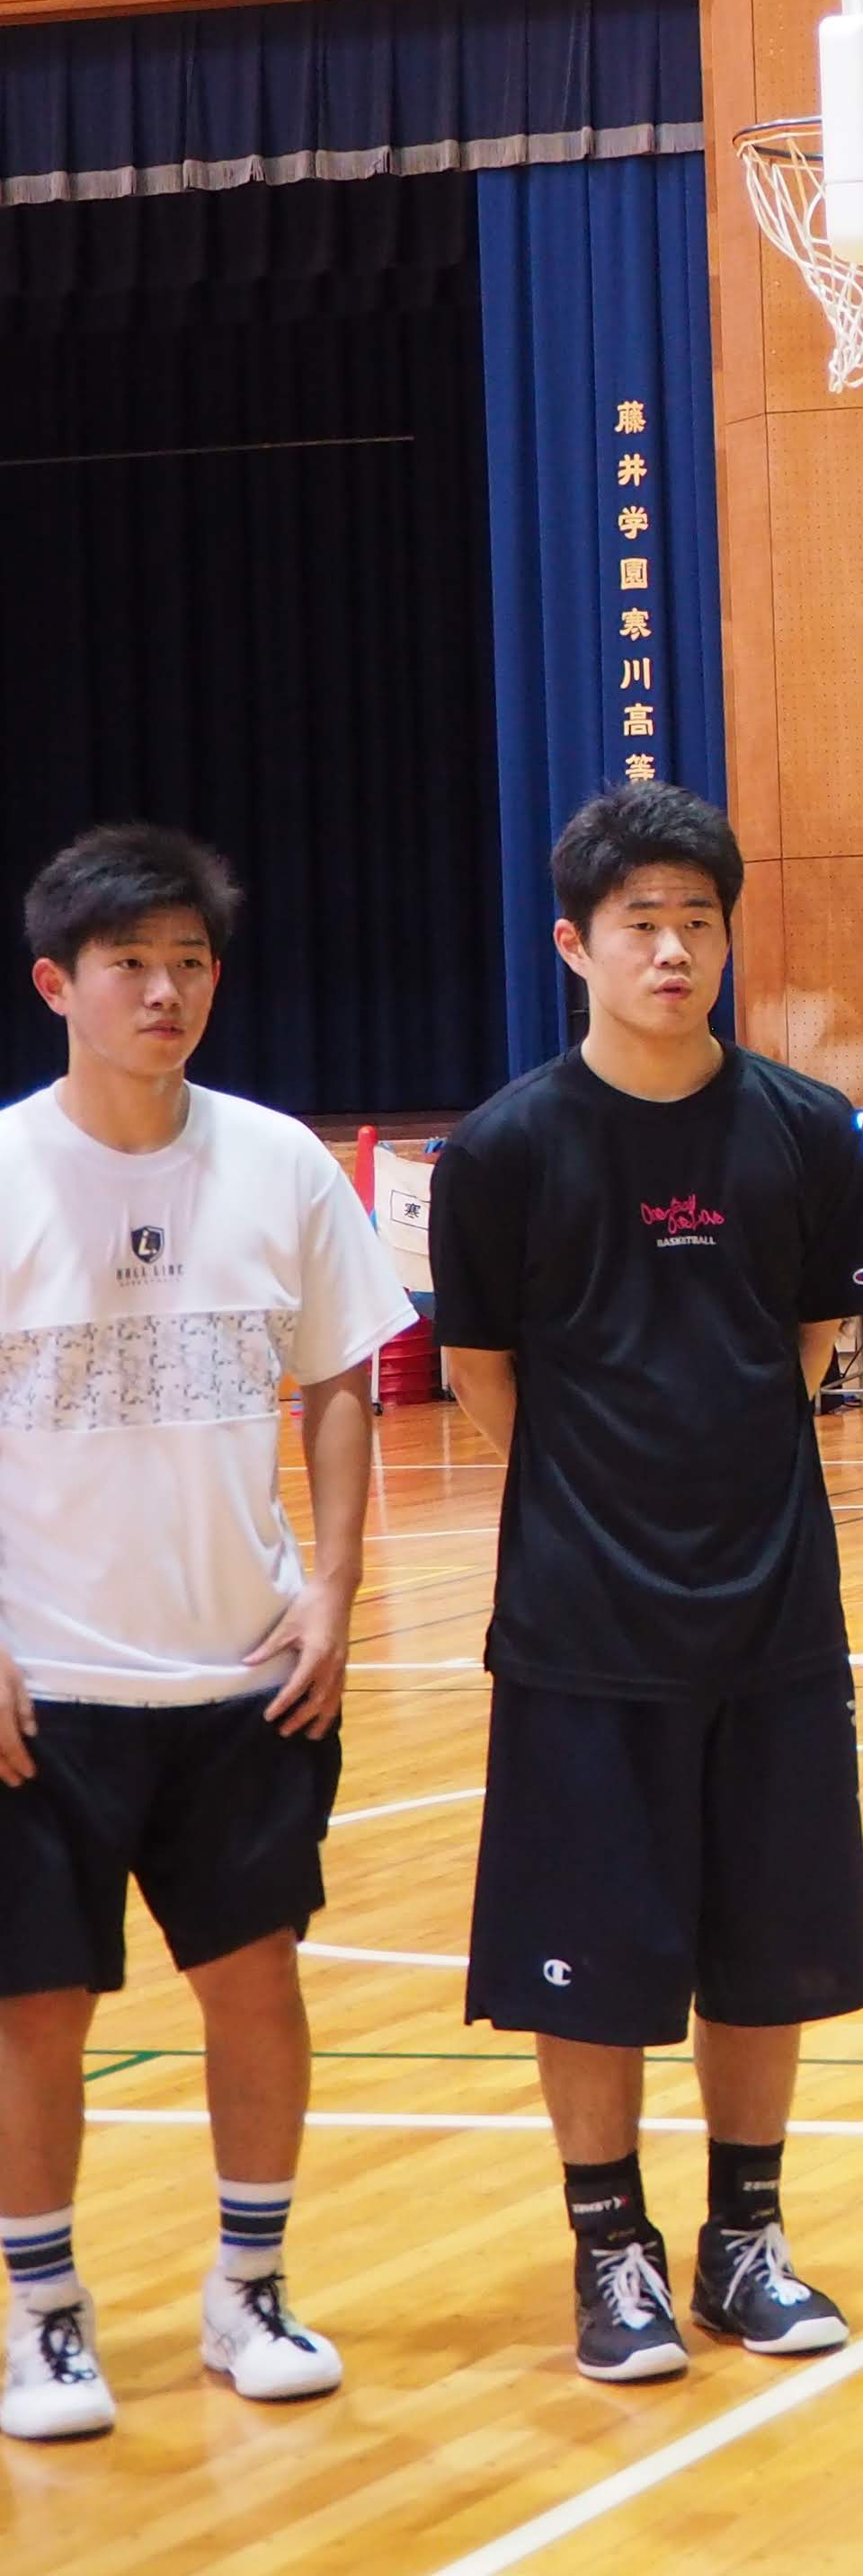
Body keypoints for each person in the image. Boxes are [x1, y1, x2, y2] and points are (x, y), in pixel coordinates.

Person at [431, 785, 863, 2385]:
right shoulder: (502, 1150)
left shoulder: (810, 1133)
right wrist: (600, 1491)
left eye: (698, 920)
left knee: (770, 1938)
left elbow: (809, 1347)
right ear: (575, 944)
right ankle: (608, 2242)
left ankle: (742, 2235)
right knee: (591, 1942)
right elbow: (482, 1371)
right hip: (581, 1612)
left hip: (771, 1596)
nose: (674, 948)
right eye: (640, 923)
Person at [0, 828, 411, 2439]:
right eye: (128, 965)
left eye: (188, 963)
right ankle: (42, 2312)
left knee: (258, 1983)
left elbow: (337, 1383)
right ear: (58, 985)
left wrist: (335, 1584)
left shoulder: (283, 1166)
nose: (163, 990)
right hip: (49, 1679)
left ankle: (248, 2291)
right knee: (36, 2006)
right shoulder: (8, 1168)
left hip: (244, 1672)